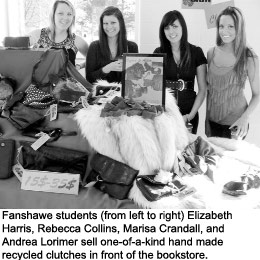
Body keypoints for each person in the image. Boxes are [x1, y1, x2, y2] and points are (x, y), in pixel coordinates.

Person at [206, 6, 259, 139]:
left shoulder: (249, 55)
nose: (225, 31)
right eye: (221, 26)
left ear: (239, 28)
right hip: (213, 123)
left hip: (236, 124)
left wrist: (245, 118)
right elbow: (210, 91)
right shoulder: (211, 53)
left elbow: (257, 94)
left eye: (231, 26)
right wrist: (206, 120)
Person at [154, 10, 207, 134]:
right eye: (167, 28)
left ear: (183, 27)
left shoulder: (196, 52)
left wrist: (190, 116)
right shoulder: (158, 53)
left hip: (189, 116)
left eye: (175, 26)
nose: (171, 31)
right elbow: (154, 89)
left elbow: (203, 89)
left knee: (187, 152)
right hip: (165, 116)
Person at [86, 6, 138, 84]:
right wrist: (107, 68)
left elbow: (135, 78)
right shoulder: (94, 46)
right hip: (100, 94)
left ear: (120, 23)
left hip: (123, 94)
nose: (109, 27)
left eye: (113, 22)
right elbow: (89, 78)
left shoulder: (132, 47)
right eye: (105, 23)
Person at [29, 0, 88, 68]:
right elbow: (16, 49)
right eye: (60, 13)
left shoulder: (78, 41)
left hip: (67, 79)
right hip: (38, 78)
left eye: (69, 14)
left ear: (73, 17)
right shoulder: (37, 34)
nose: (65, 18)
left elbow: (94, 60)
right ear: (53, 15)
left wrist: (79, 66)